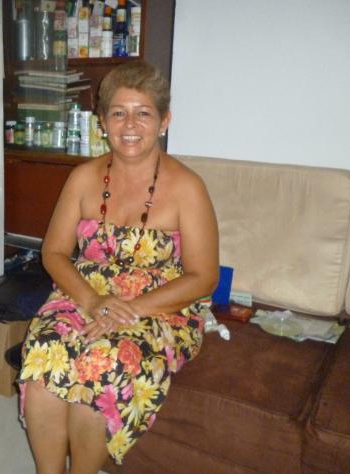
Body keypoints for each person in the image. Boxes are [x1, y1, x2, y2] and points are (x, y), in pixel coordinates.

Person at [17, 60, 219, 474]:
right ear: (103, 122)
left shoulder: (188, 187)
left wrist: (130, 309)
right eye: (118, 112)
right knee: (41, 361)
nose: (130, 125)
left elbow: (204, 277)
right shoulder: (82, 178)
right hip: (84, 294)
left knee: (100, 369)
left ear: (164, 121)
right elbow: (53, 252)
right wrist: (93, 301)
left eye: (143, 113)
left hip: (160, 306)